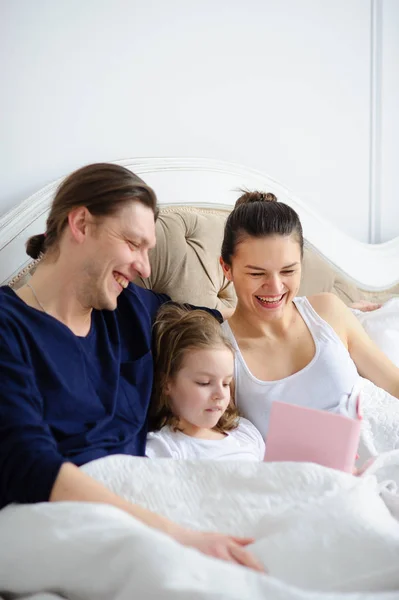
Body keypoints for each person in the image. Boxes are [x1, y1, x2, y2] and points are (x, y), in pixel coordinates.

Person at [0, 163, 264, 572]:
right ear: (81, 224)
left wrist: (324, 316)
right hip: (65, 517)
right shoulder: (8, 328)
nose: (144, 266)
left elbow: (218, 324)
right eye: (133, 244)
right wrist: (177, 536)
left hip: (151, 499)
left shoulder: (130, 309)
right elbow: (29, 465)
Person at [219, 191, 399, 438]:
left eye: (288, 271)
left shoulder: (327, 311)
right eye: (257, 274)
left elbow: (393, 384)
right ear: (226, 268)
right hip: (302, 475)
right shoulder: (220, 351)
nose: (275, 287)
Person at [146, 304, 265, 460]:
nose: (220, 395)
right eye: (204, 383)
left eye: (225, 383)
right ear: (167, 383)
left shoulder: (245, 432)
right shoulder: (164, 449)